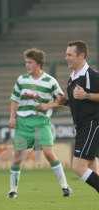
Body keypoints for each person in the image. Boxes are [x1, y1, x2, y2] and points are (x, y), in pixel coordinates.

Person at [8, 48, 71, 199]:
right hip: (23, 122)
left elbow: (61, 100)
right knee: (17, 157)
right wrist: (12, 117)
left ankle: (65, 187)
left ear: (38, 64)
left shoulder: (50, 81)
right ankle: (12, 190)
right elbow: (14, 99)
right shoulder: (21, 79)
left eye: (30, 62)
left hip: (41, 122)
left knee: (49, 153)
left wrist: (47, 106)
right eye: (26, 62)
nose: (27, 65)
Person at [41, 41, 99, 193]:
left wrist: (87, 94)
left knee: (78, 167)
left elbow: (86, 98)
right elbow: (79, 103)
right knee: (93, 168)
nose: (66, 57)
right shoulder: (72, 78)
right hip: (82, 127)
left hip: (92, 125)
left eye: (69, 55)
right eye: (66, 54)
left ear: (81, 56)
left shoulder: (92, 75)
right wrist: (65, 102)